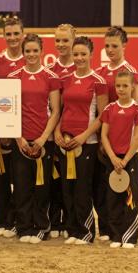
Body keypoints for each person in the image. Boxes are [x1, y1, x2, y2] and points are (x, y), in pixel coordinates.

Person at [7, 34, 61, 244]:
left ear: (41, 52)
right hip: (20, 140)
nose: (31, 54)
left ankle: (40, 226)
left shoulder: (50, 77)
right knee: (21, 186)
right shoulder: (13, 76)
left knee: (41, 186)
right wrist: (18, 138)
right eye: (27, 51)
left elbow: (55, 111)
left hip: (43, 142)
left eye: (34, 51)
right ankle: (24, 226)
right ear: (23, 52)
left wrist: (43, 138)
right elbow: (8, 110)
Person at [54, 36, 108, 245]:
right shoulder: (65, 79)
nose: (79, 58)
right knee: (67, 188)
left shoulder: (98, 81)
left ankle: (86, 232)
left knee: (83, 189)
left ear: (91, 55)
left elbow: (103, 115)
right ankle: (73, 229)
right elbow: (62, 110)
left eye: (83, 54)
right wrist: (58, 132)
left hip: (87, 144)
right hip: (65, 143)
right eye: (76, 54)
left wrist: (84, 136)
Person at [94, 26, 138, 241]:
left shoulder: (131, 72)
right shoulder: (101, 73)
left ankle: (126, 227)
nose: (110, 50)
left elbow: (134, 109)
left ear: (124, 45)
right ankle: (106, 228)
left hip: (122, 142)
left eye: (114, 46)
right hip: (104, 137)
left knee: (124, 183)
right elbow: (100, 109)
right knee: (104, 185)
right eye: (107, 46)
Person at [0, 18, 25, 237]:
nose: (12, 38)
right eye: (8, 34)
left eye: (16, 33)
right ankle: (2, 221)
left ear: (23, 34)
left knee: (20, 178)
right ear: (3, 36)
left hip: (23, 131)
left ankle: (19, 220)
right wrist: (1, 129)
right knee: (0, 177)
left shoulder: (29, 61)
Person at [100, 72, 138, 249]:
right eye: (118, 86)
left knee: (130, 197)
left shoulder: (137, 109)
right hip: (112, 160)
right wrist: (112, 157)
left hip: (130, 160)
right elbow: (104, 135)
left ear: (132, 86)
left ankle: (129, 237)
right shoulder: (109, 108)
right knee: (112, 198)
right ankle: (116, 235)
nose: (121, 89)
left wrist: (125, 159)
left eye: (125, 86)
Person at [45, 24, 77, 238]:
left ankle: (71, 220)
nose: (61, 44)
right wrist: (55, 130)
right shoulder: (50, 70)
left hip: (74, 133)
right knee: (54, 177)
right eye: (58, 40)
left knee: (72, 179)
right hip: (53, 133)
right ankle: (55, 220)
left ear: (73, 40)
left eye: (65, 40)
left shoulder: (81, 68)